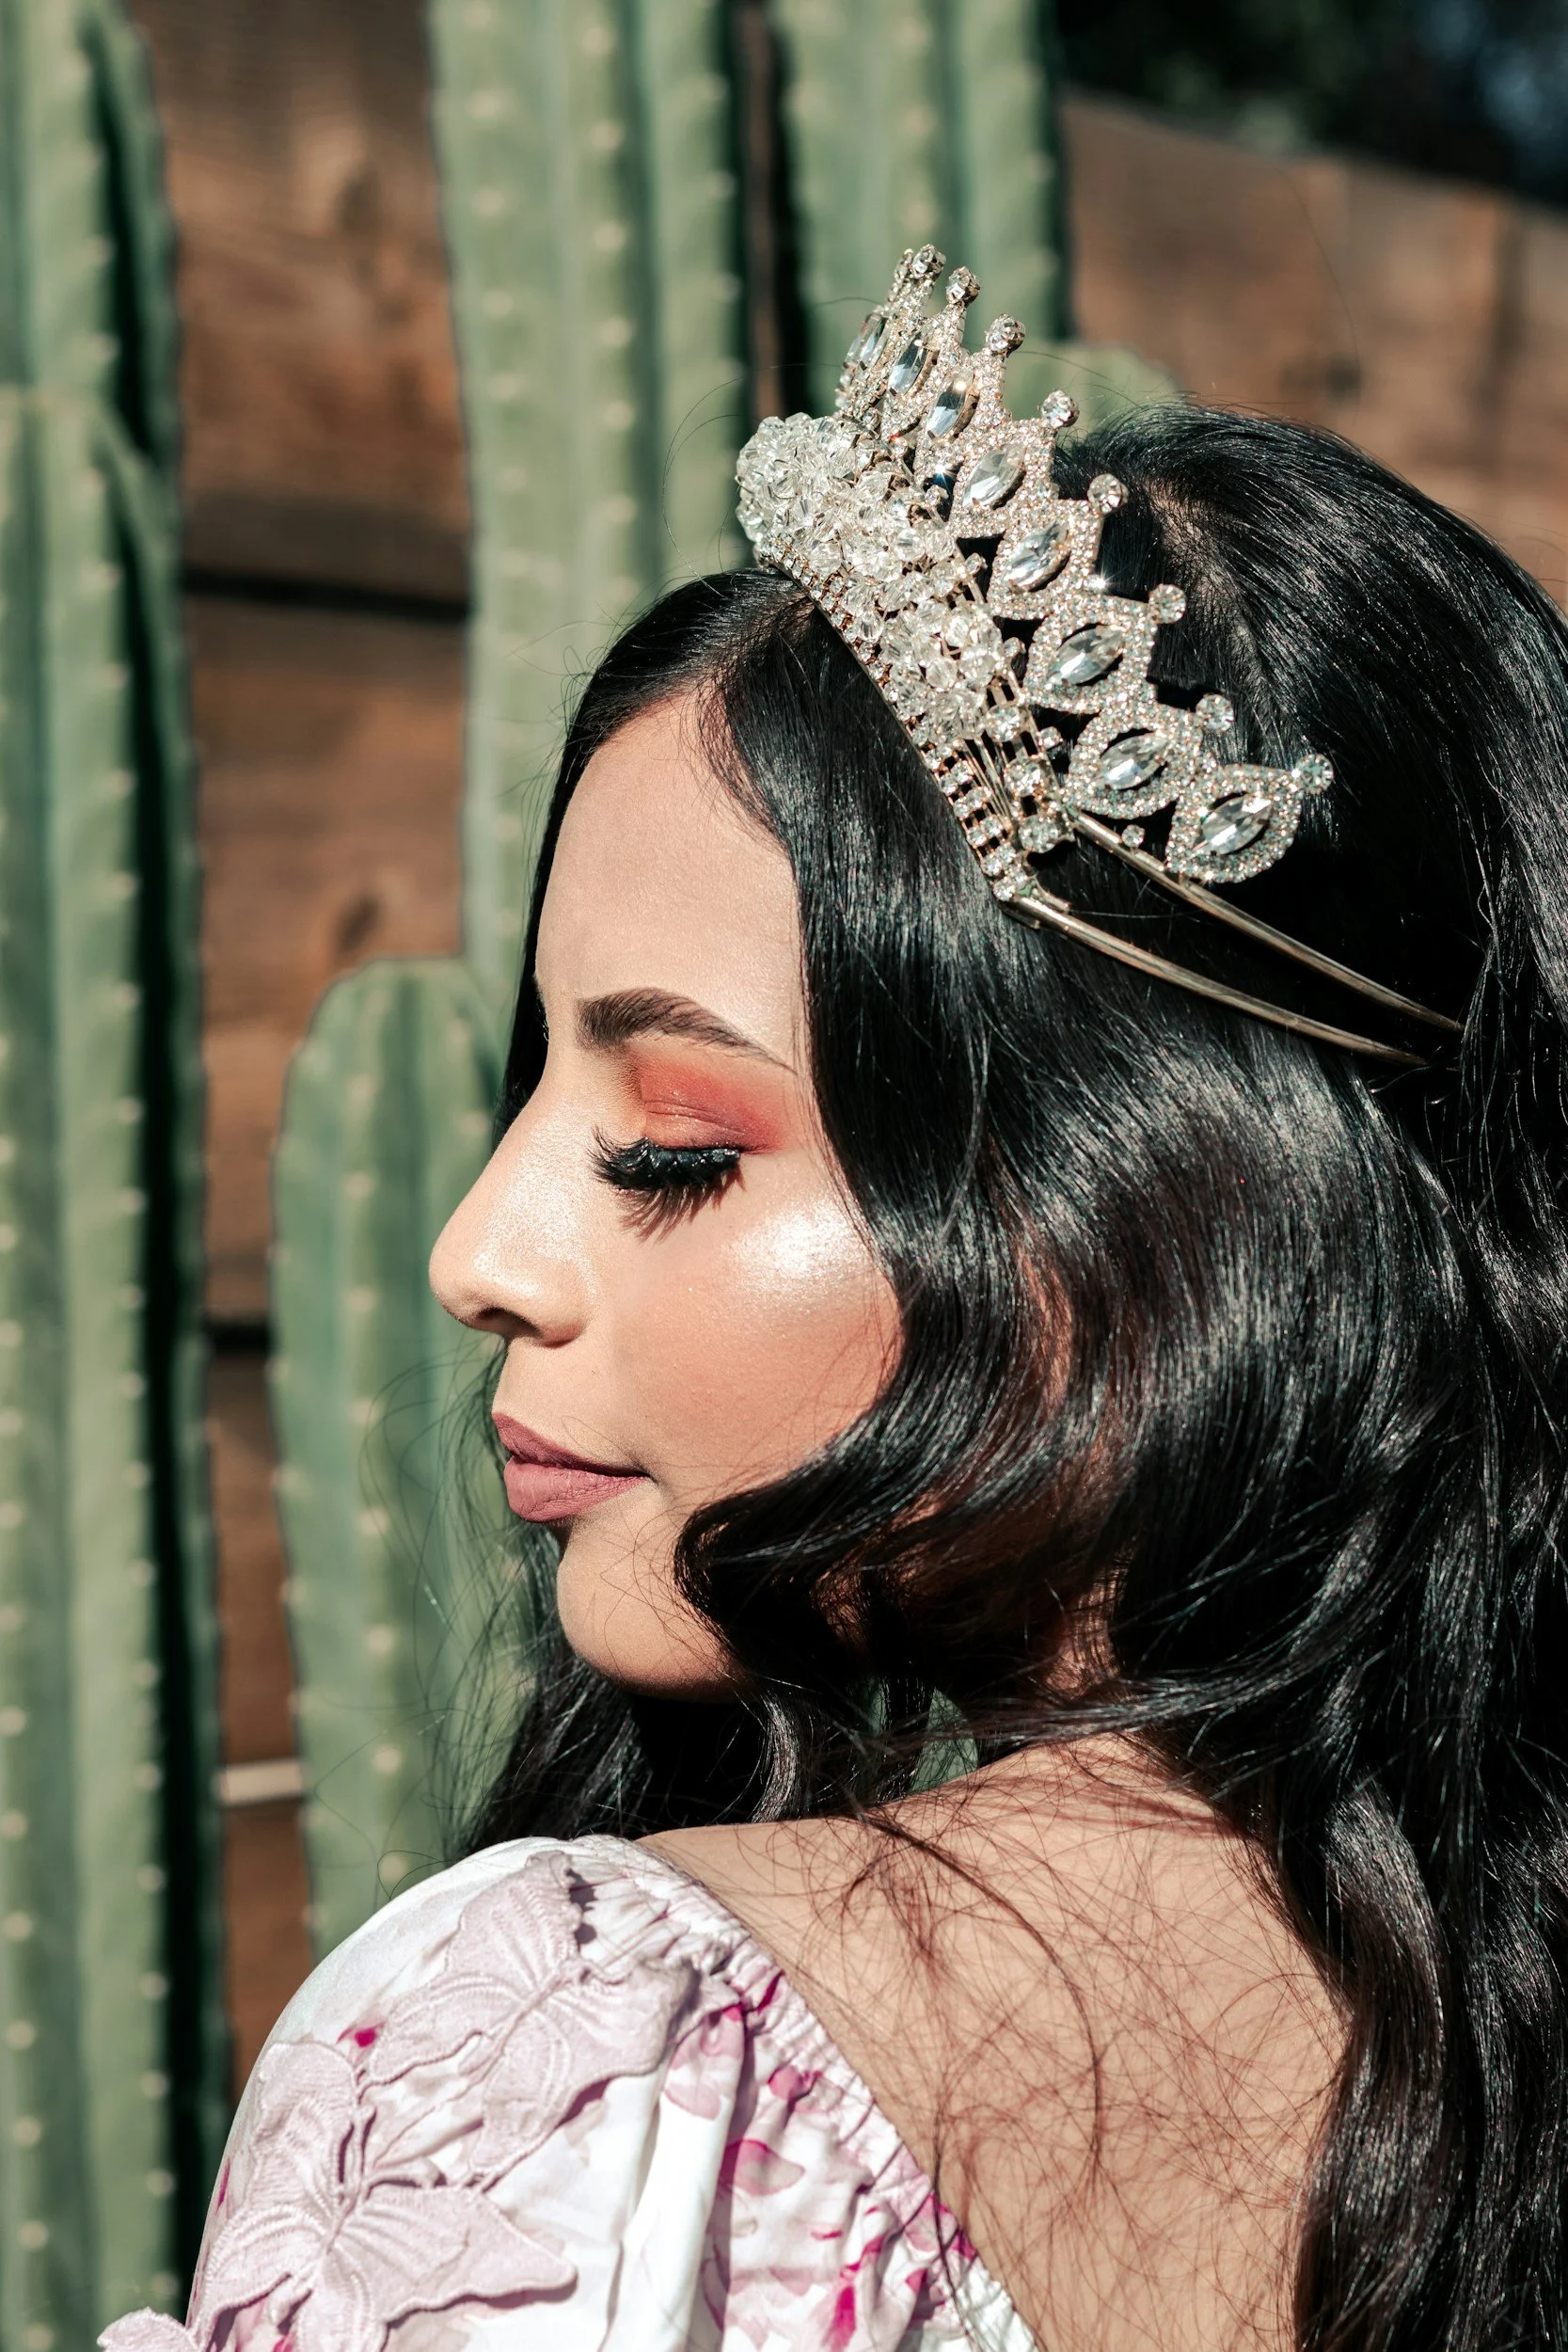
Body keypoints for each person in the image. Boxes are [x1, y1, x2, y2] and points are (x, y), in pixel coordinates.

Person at [105, 249, 1568, 2352]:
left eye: (672, 1147)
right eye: (529, 1097)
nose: (475, 1253)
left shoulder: (601, 2072)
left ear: (1160, 1232)